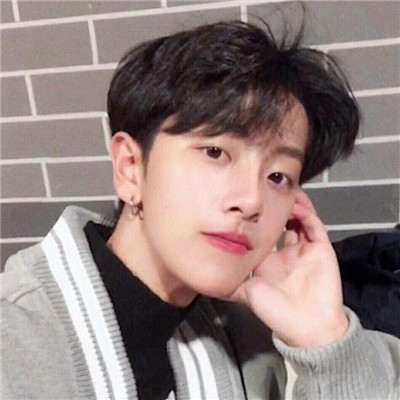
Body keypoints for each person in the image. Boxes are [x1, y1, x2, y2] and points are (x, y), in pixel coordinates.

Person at [1, 20, 399, 400]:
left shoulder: (250, 337)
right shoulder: (15, 347)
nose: (252, 200)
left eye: (278, 176)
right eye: (215, 152)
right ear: (131, 168)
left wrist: (325, 340)